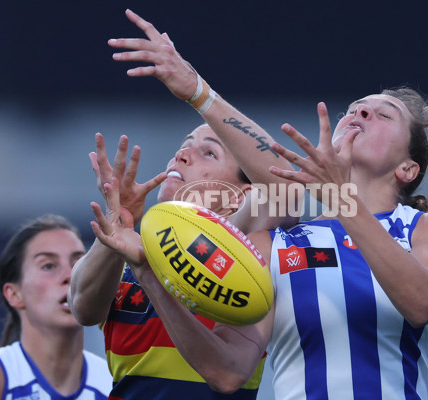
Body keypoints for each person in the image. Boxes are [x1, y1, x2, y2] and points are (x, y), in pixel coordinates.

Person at [90, 74, 428, 398]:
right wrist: (147, 275)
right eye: (352, 110)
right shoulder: (275, 244)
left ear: (407, 168)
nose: (360, 113)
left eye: (383, 114)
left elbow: (423, 302)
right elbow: (227, 371)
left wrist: (340, 198)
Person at [69, 10, 302, 400]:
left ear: (243, 193)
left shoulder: (243, 241)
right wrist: (117, 226)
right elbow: (83, 308)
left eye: (208, 153)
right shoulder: (135, 250)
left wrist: (199, 93)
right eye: (183, 146)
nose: (182, 155)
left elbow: (287, 186)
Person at [0, 214, 112, 400]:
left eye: (78, 264)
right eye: (49, 266)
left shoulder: (114, 386)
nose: (70, 276)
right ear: (14, 294)